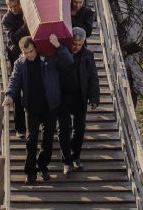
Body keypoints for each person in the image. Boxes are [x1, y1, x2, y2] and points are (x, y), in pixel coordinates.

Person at [3, 34, 73, 184]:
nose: (29, 55)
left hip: (50, 106)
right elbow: (14, 80)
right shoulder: (19, 64)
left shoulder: (48, 58)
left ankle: (43, 166)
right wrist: (9, 95)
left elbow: (68, 61)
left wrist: (58, 46)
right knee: (31, 139)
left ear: (36, 48)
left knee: (47, 141)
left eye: (31, 52)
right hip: (32, 107)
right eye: (25, 53)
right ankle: (30, 171)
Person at [58, 27, 100, 175]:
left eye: (79, 44)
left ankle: (76, 156)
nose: (75, 47)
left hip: (79, 96)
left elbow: (93, 77)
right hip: (63, 96)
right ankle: (67, 161)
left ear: (83, 43)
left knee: (80, 128)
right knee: (63, 128)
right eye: (74, 43)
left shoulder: (88, 55)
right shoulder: (62, 52)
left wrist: (94, 98)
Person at [2, 0, 29, 137]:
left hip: (31, 52)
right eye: (9, 7)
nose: (13, 9)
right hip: (16, 55)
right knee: (17, 90)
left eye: (15, 6)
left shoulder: (24, 10)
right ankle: (20, 127)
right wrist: (26, 24)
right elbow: (14, 37)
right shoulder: (7, 19)